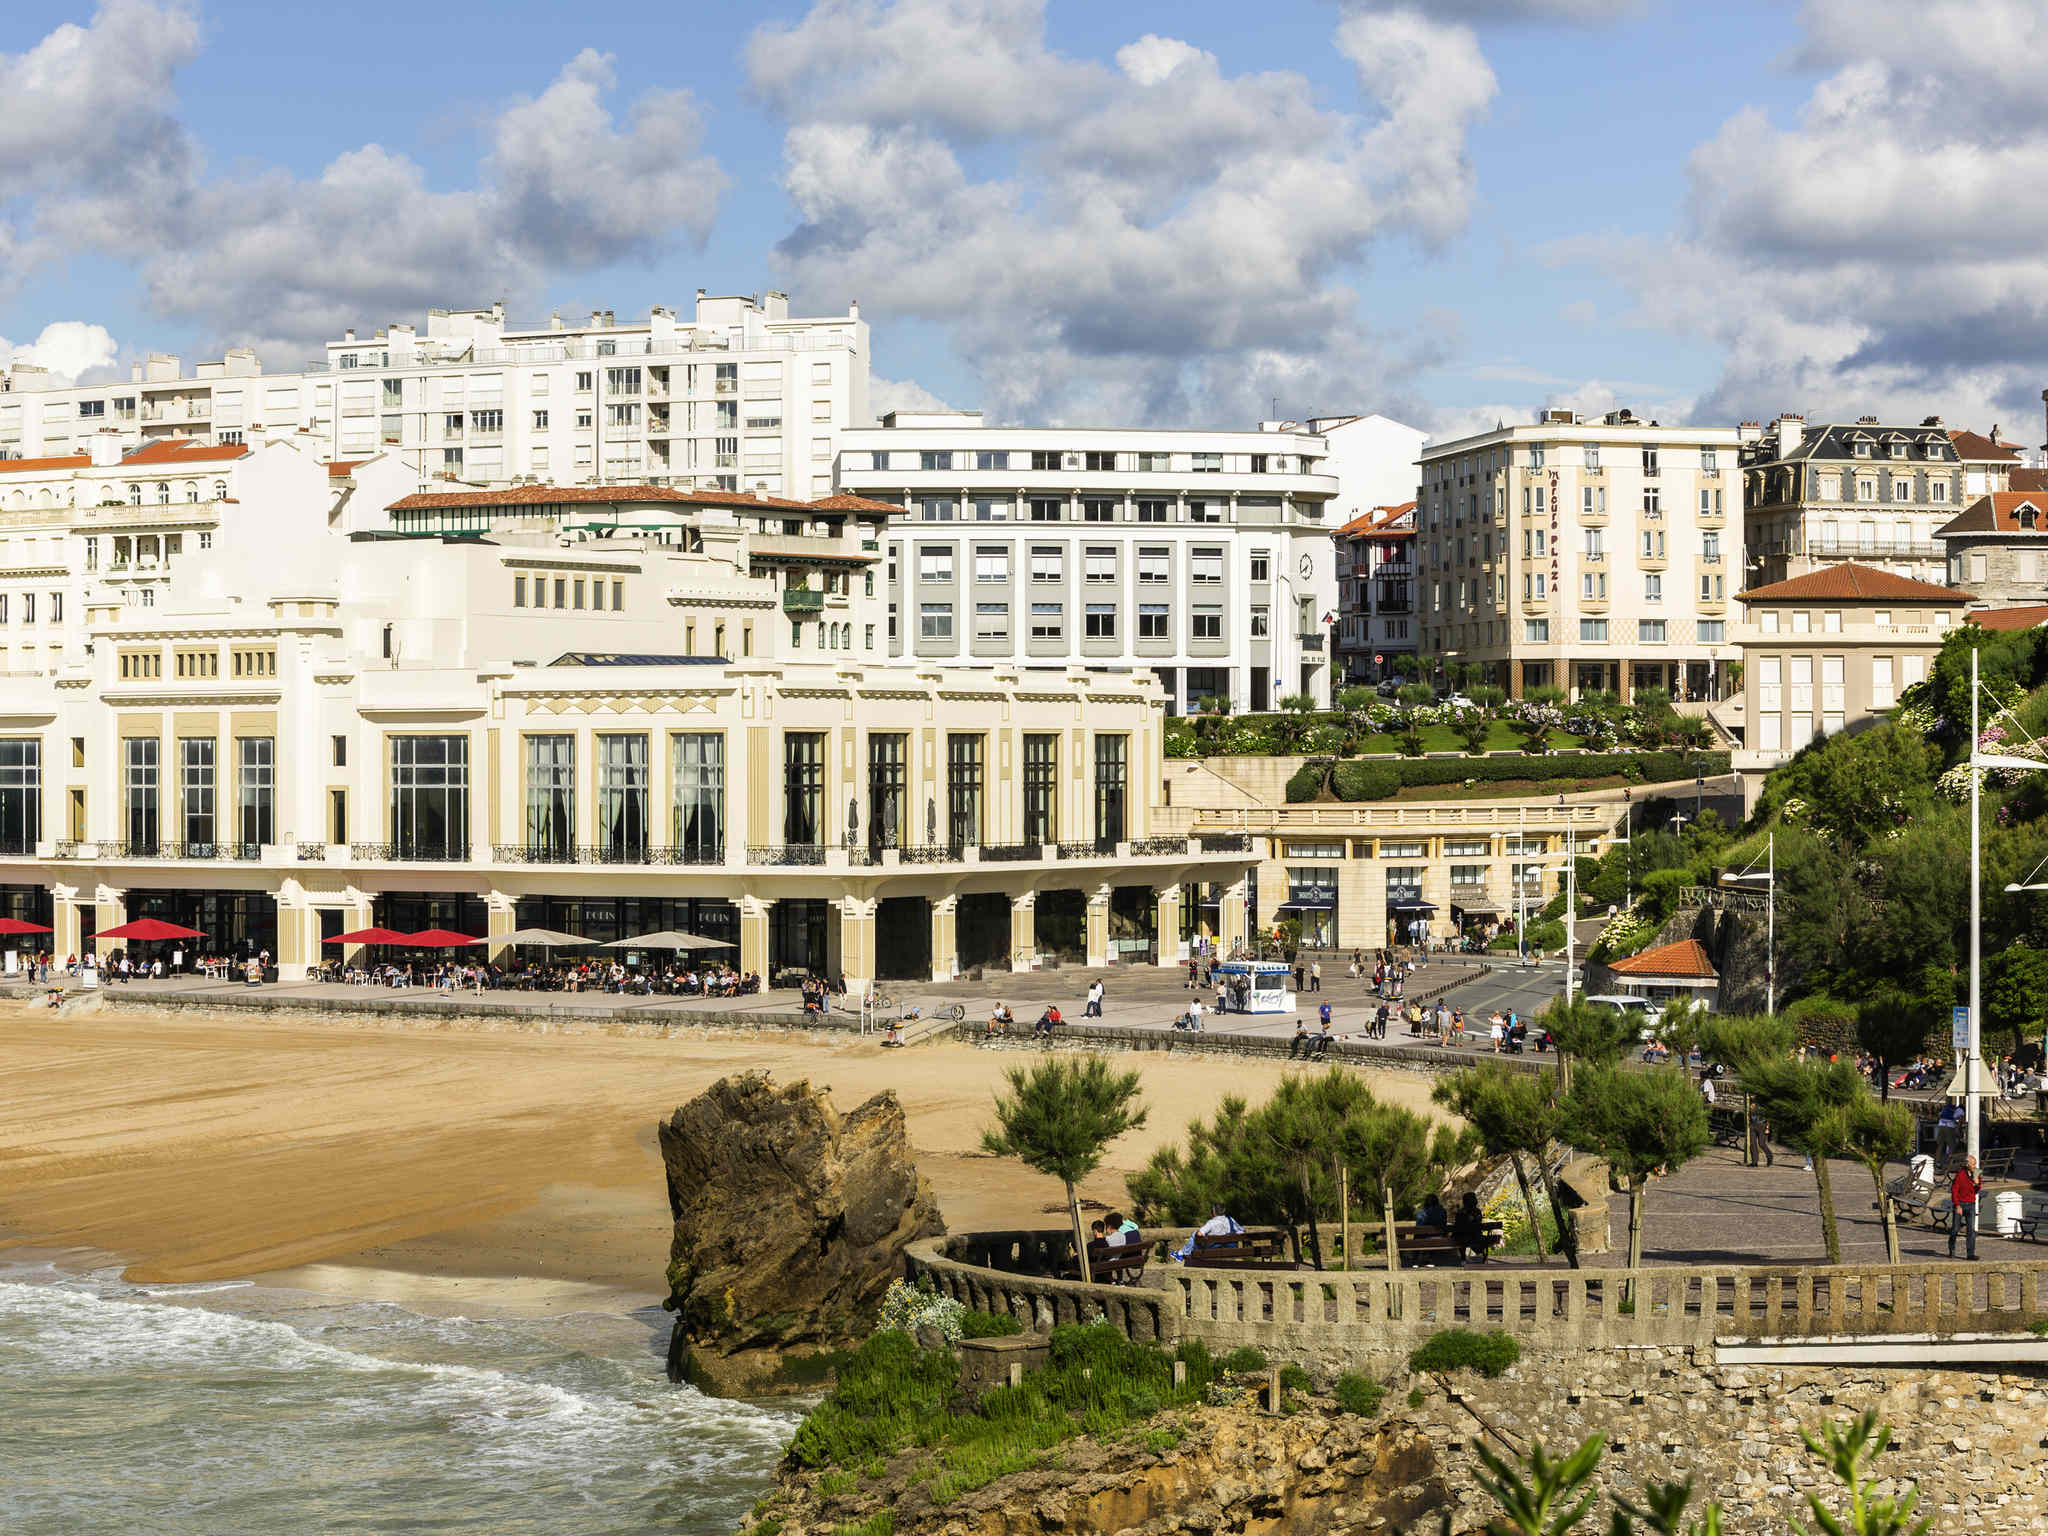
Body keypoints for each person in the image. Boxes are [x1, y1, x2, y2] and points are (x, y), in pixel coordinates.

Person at [1172, 1205, 1245, 1262]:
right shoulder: (1230, 1219)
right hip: (1231, 1249)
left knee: (1195, 1234)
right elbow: (1242, 1231)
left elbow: (1199, 1234)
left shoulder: (1211, 1222)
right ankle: (1182, 1253)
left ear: (1213, 1212)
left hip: (1213, 1250)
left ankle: (1182, 1253)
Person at [1949, 1154, 1982, 1260]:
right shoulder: (1960, 1175)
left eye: (1975, 1163)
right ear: (1967, 1164)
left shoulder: (1977, 1174)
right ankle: (1952, 1247)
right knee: (1955, 1229)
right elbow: (1954, 1191)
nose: (1974, 1166)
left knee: (1971, 1230)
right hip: (1960, 1204)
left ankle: (1970, 1254)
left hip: (1971, 1204)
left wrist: (1977, 1184)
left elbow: (1976, 1191)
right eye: (1973, 1164)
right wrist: (1957, 1205)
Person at [1452, 1192, 1490, 1262]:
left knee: (1460, 1237)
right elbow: (1478, 1223)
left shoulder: (1461, 1212)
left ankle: (1463, 1258)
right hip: (1476, 1236)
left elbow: (1457, 1226)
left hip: (1464, 1238)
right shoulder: (1477, 1211)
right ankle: (1479, 1254)